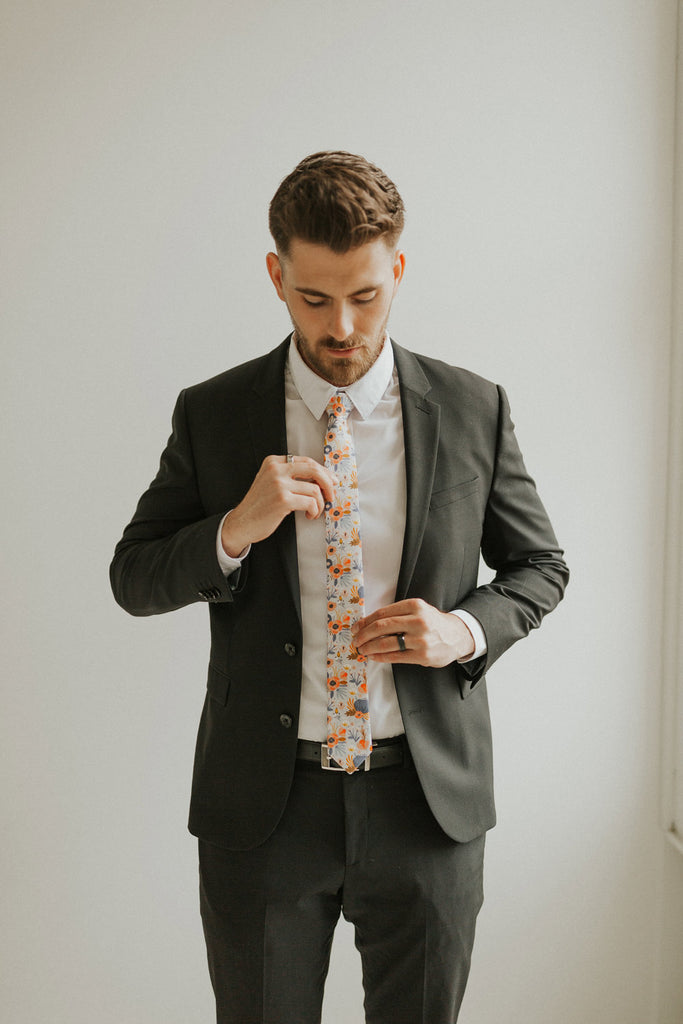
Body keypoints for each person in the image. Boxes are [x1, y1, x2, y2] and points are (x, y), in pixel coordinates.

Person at [110, 151, 569, 1024]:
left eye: (365, 295)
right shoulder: (214, 413)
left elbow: (539, 568)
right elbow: (133, 577)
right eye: (314, 299)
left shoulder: (475, 409)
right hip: (265, 809)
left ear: (396, 269)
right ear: (276, 275)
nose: (342, 326)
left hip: (425, 806)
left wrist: (460, 632)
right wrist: (235, 528)